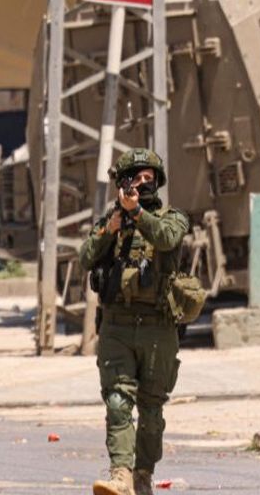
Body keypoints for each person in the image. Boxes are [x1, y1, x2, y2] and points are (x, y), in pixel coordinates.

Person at [79, 148, 190, 495]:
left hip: (158, 328)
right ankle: (121, 475)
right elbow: (84, 257)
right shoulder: (111, 222)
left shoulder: (172, 217)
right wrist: (110, 228)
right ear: (122, 184)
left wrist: (137, 213)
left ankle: (143, 475)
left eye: (148, 177)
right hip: (117, 326)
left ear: (157, 181)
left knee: (152, 412)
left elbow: (167, 238)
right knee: (116, 402)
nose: (142, 183)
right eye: (135, 178)